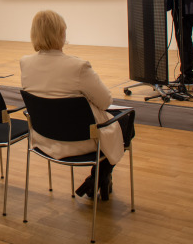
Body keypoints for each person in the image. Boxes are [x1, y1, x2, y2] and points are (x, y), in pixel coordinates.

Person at [20, 10, 125, 200]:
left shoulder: (25, 63)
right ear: (61, 33)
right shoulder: (78, 67)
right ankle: (99, 176)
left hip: (43, 138)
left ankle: (99, 178)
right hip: (80, 141)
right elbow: (105, 101)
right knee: (126, 123)